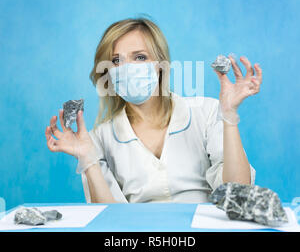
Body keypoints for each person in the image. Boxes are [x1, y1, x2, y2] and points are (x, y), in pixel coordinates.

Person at [45, 17, 262, 203]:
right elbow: (111, 221)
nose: (128, 68)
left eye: (140, 57)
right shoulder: (99, 139)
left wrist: (229, 116)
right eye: (116, 61)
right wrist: (88, 158)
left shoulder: (206, 112)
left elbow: (238, 195)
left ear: (160, 64)